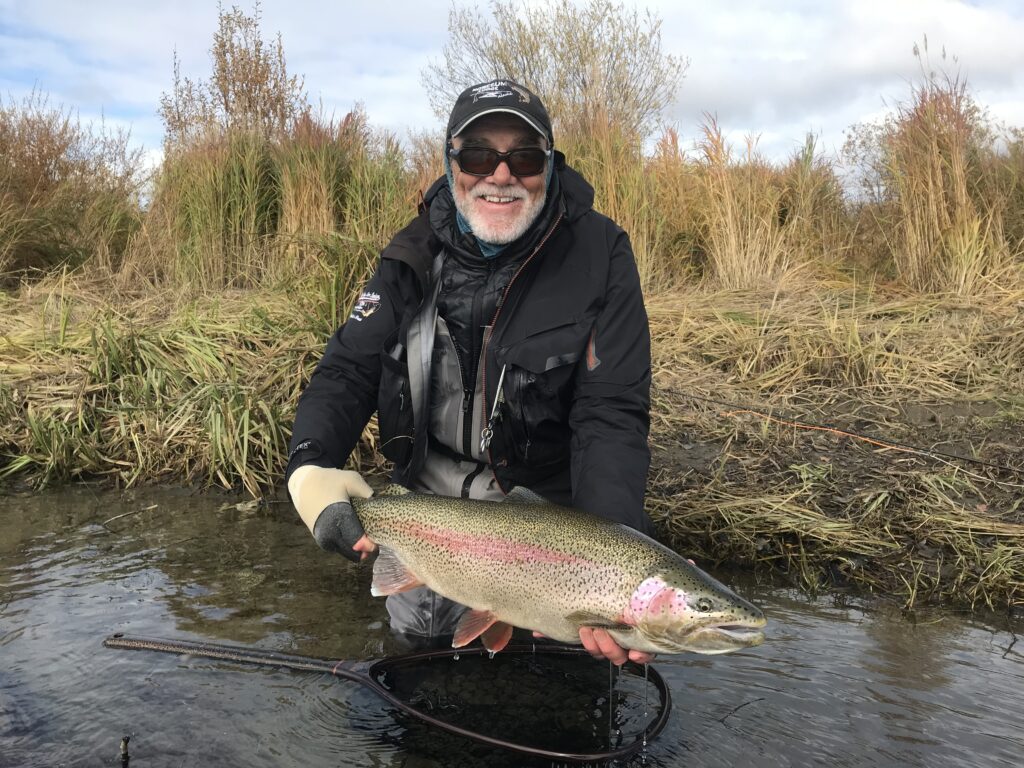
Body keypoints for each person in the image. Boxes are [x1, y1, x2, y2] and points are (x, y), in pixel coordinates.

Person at [286, 79, 653, 665]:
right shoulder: (410, 254)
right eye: (478, 154)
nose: (500, 175)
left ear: (550, 167)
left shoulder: (600, 255)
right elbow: (347, 371)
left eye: (524, 157)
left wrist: (608, 563)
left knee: (550, 697)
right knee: (418, 677)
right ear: (451, 162)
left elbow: (611, 414)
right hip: (427, 517)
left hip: (543, 530)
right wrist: (308, 468)